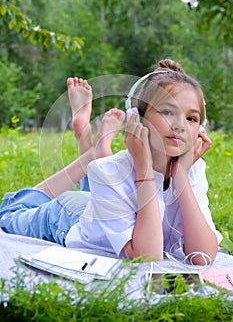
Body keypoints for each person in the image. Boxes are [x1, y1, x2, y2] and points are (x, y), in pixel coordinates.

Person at [0, 59, 222, 266]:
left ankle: (96, 149)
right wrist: (144, 169)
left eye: (191, 118)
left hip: (103, 202)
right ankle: (92, 153)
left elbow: (203, 257)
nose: (180, 125)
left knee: (104, 177)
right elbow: (148, 257)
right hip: (70, 218)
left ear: (200, 131)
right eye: (167, 112)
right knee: (9, 214)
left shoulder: (192, 169)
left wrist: (180, 176)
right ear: (137, 117)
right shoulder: (110, 171)